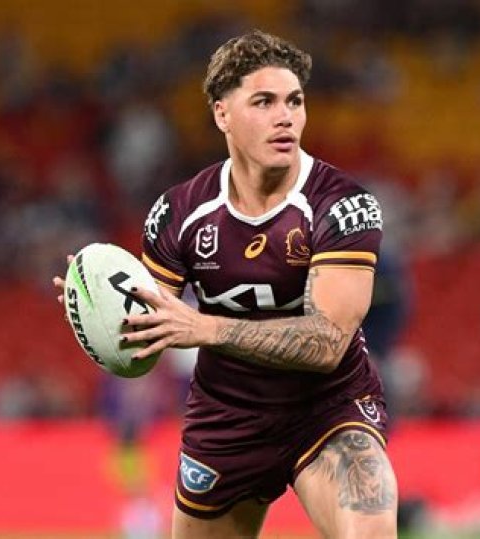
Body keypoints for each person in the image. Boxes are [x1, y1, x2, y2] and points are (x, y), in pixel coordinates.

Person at [54, 29, 398, 538]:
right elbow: (149, 328)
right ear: (222, 114)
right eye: (264, 102)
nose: (285, 116)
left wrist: (206, 329)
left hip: (328, 410)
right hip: (226, 420)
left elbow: (328, 342)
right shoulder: (179, 213)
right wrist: (99, 306)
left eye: (295, 101)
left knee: (371, 531)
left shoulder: (341, 205)